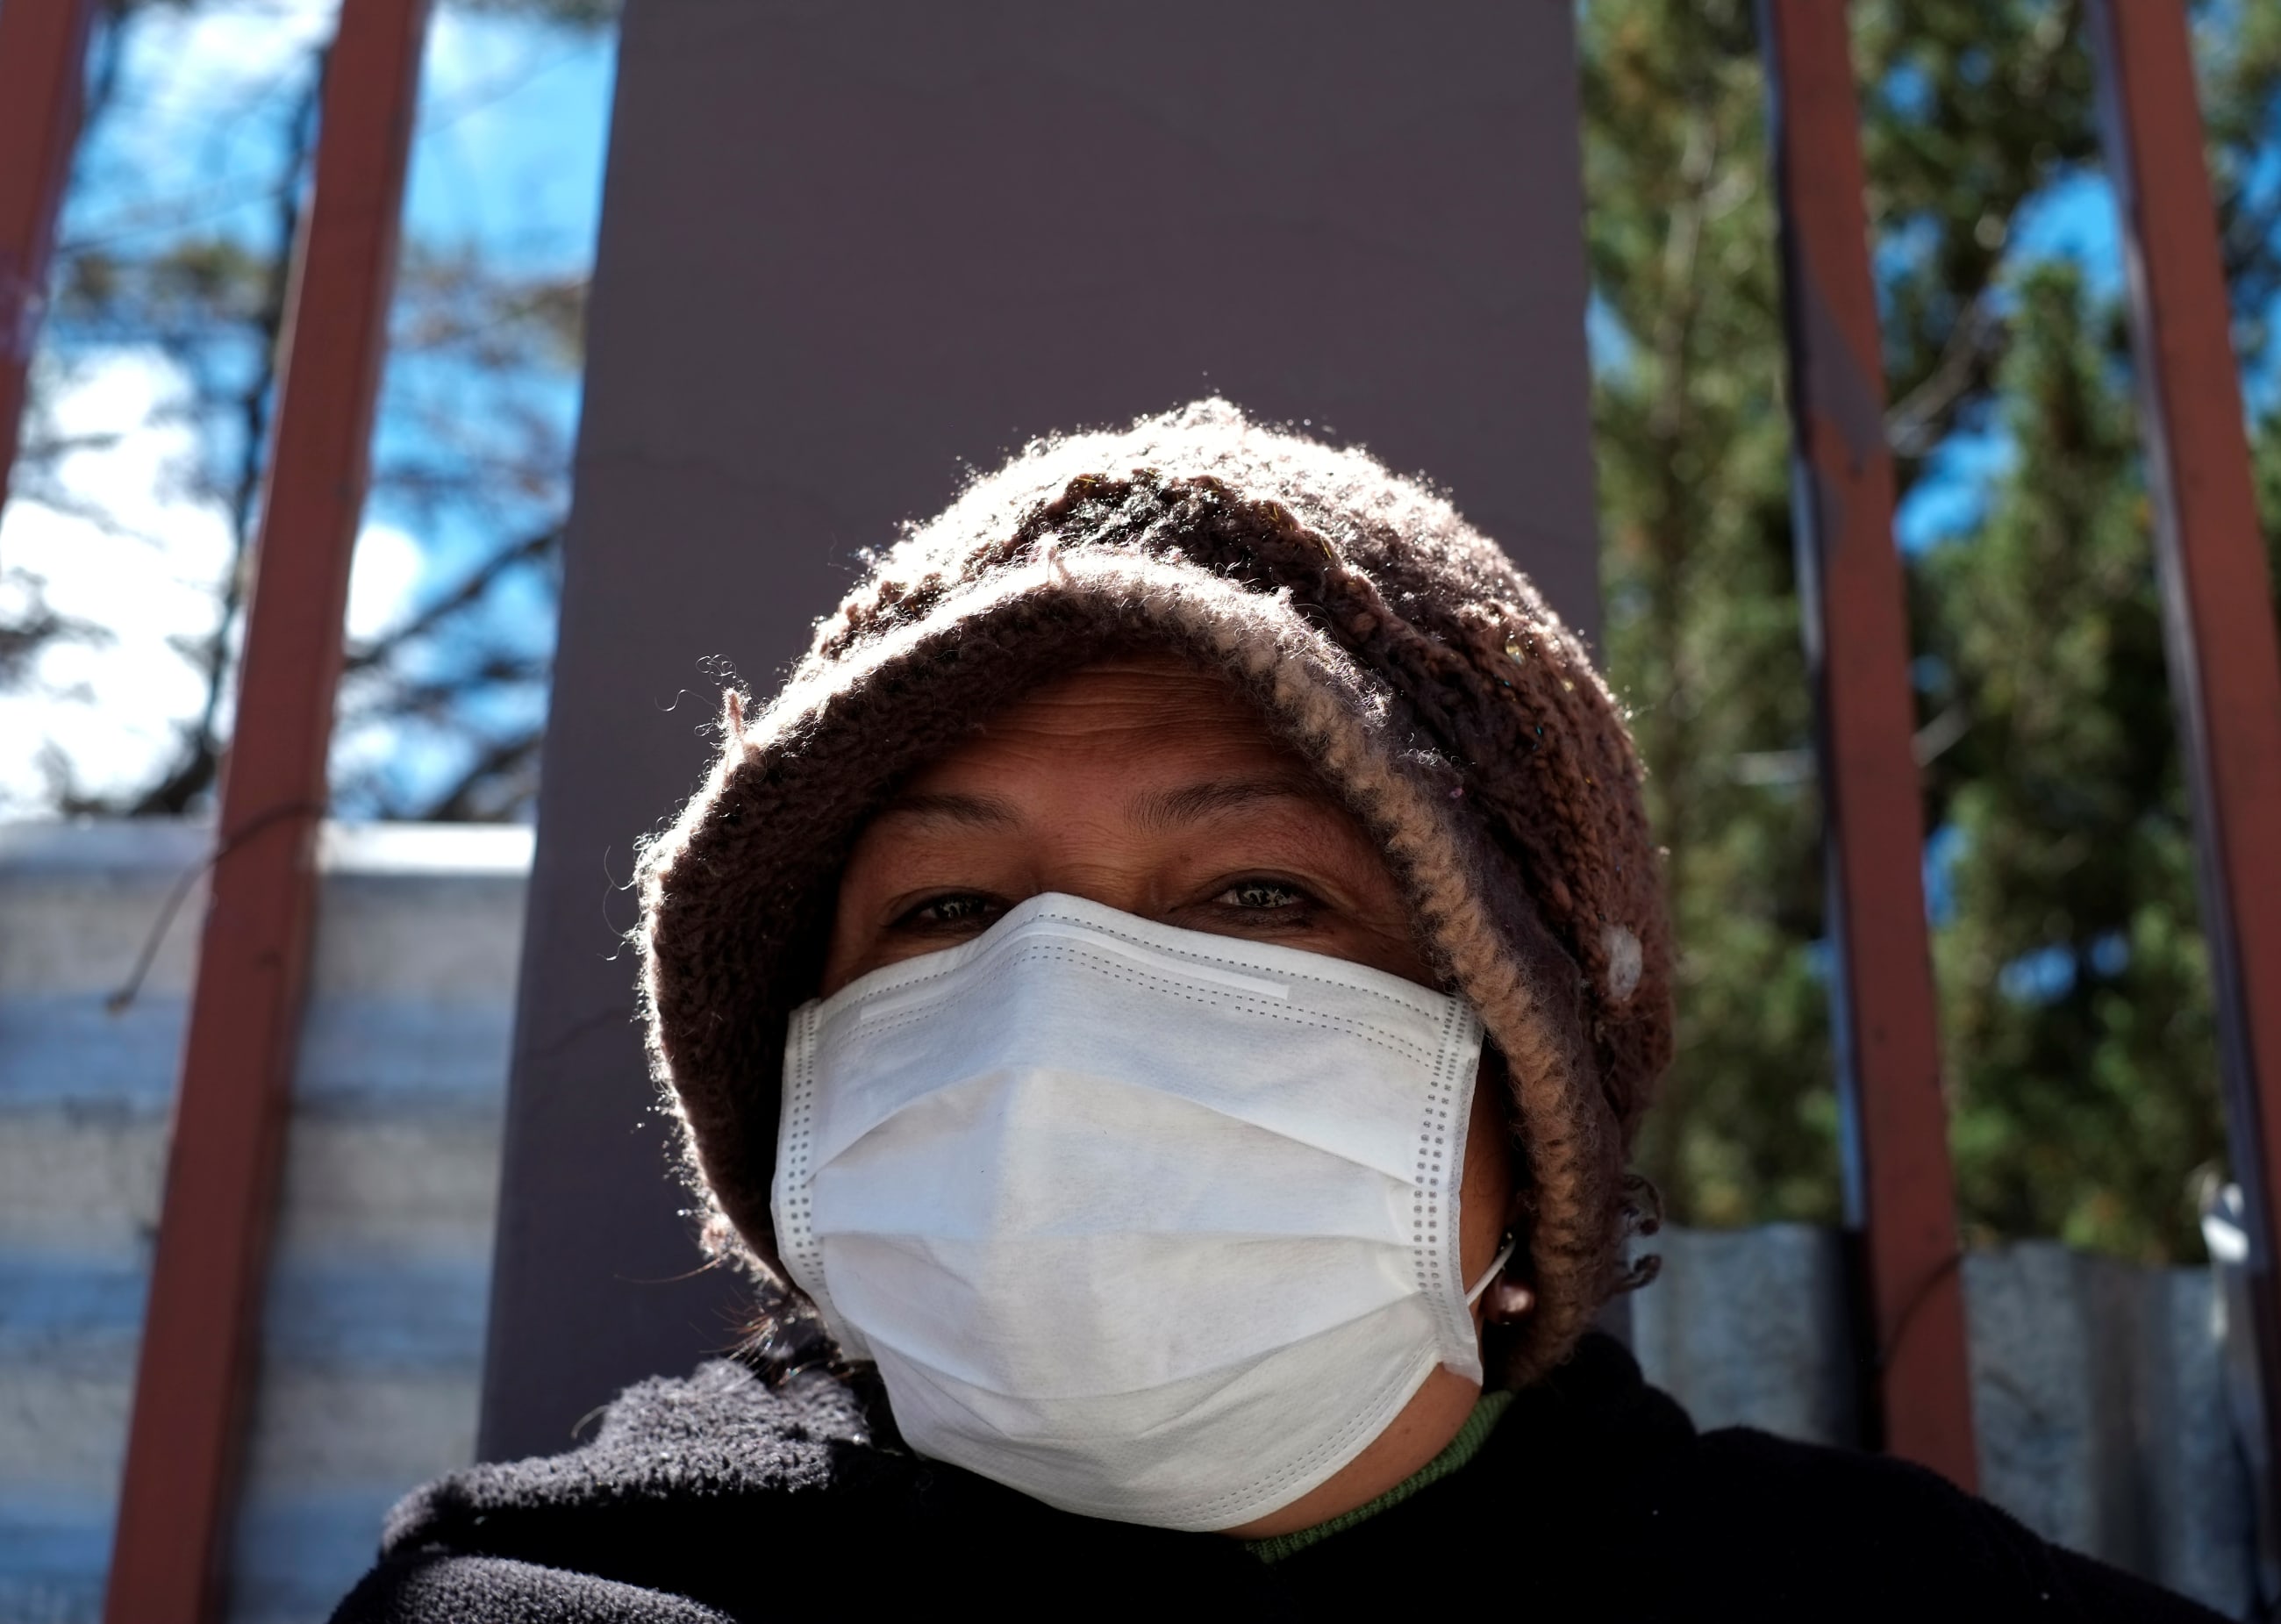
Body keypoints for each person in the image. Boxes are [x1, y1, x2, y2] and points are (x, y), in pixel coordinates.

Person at [333, 400, 2218, 1621]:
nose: (1051, 1013)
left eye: (1257, 893)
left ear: (1526, 1079)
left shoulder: (1893, 1615)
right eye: (946, 909)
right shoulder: (533, 1599)